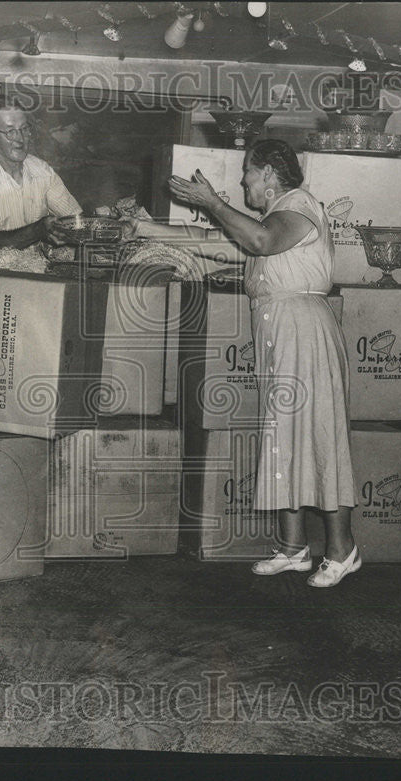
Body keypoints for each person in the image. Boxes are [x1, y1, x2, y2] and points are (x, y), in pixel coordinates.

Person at [124, 139, 358, 587]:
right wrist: (147, 230)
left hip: (304, 329)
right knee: (283, 434)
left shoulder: (298, 205)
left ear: (269, 173)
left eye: (247, 172)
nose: (242, 181)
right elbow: (218, 243)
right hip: (279, 330)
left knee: (320, 436)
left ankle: (344, 550)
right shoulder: (270, 217)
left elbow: (259, 240)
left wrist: (213, 202)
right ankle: (293, 549)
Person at [0, 94, 82, 267]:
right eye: (10, 131)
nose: (20, 138)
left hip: (34, 270)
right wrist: (39, 229)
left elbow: (75, 218)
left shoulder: (41, 170)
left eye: (24, 129)